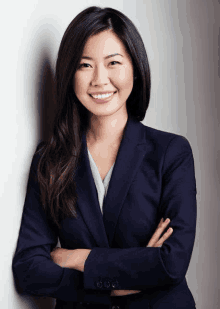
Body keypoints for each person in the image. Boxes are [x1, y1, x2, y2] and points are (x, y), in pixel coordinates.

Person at [12, 6, 197, 309]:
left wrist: (76, 257)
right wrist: (122, 282)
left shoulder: (171, 153)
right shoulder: (50, 160)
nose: (100, 79)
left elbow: (171, 263)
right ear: (70, 74)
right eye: (85, 65)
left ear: (134, 68)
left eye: (113, 63)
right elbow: (29, 268)